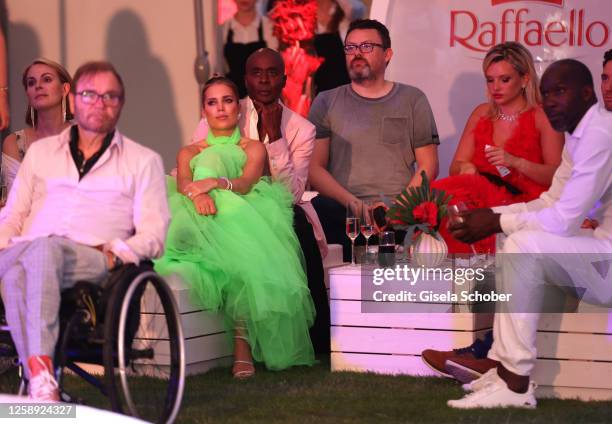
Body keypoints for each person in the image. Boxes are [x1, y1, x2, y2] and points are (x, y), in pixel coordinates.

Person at [438, 58, 612, 409]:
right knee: (514, 238)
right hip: (600, 252)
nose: (550, 102)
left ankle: (515, 382)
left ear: (585, 92)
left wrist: (496, 221)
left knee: (520, 241)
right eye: (546, 94)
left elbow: (563, 220)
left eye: (559, 92)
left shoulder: (600, 133)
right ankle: (503, 369)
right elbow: (549, 200)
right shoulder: (581, 133)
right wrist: (492, 214)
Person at [0, 61, 169, 401]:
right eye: (89, 95)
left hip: (93, 260)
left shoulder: (142, 161)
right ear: (74, 100)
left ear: (120, 104)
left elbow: (153, 233)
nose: (99, 103)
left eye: (110, 96)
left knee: (40, 251)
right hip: (29, 251)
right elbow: (14, 214)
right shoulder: (41, 154)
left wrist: (115, 256)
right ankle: (43, 382)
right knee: (25, 259)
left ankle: (39, 378)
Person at [155, 76, 316, 378]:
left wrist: (214, 183)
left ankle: (242, 347)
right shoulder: (189, 151)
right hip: (195, 210)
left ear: (238, 109)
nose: (220, 109)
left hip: (241, 208)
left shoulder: (253, 147)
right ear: (203, 110)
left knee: (242, 248)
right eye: (212, 102)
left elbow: (245, 183)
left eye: (227, 101)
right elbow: (184, 184)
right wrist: (199, 193)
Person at [192, 48, 330, 354]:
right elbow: (196, 160)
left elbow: (291, 195)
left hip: (276, 207)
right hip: (226, 201)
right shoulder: (225, 107)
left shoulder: (301, 129)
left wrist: (275, 138)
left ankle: (314, 337)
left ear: (283, 79)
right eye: (256, 73)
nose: (264, 80)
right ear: (246, 79)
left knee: (297, 224)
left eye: (272, 73)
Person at [308, 19, 439, 260]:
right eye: (350, 47)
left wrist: (396, 209)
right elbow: (314, 169)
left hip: (399, 211)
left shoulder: (413, 99)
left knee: (430, 210)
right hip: (345, 211)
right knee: (317, 210)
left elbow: (428, 165)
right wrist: (356, 206)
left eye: (366, 46)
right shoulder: (326, 101)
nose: (357, 53)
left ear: (387, 54)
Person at [432, 42, 563, 254]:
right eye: (490, 80)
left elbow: (557, 177)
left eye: (504, 80)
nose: (496, 87)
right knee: (449, 203)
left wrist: (516, 162)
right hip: (479, 198)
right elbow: (455, 167)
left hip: (522, 205)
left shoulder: (542, 117)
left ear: (525, 79)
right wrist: (466, 168)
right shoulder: (481, 114)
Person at [1, 58, 73, 195]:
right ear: (28, 93)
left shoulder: (87, 138)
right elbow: (13, 202)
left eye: (46, 79)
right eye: (31, 83)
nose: (38, 86)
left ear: (64, 89)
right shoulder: (15, 143)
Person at [222, 0, 278, 98]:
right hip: (233, 97)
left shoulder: (269, 26)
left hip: (263, 97)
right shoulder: (223, 29)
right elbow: (220, 68)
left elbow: (275, 67)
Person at [313, 0, 365, 94]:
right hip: (316, 83)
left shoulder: (343, 8)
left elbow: (358, 11)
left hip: (342, 81)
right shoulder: (306, 8)